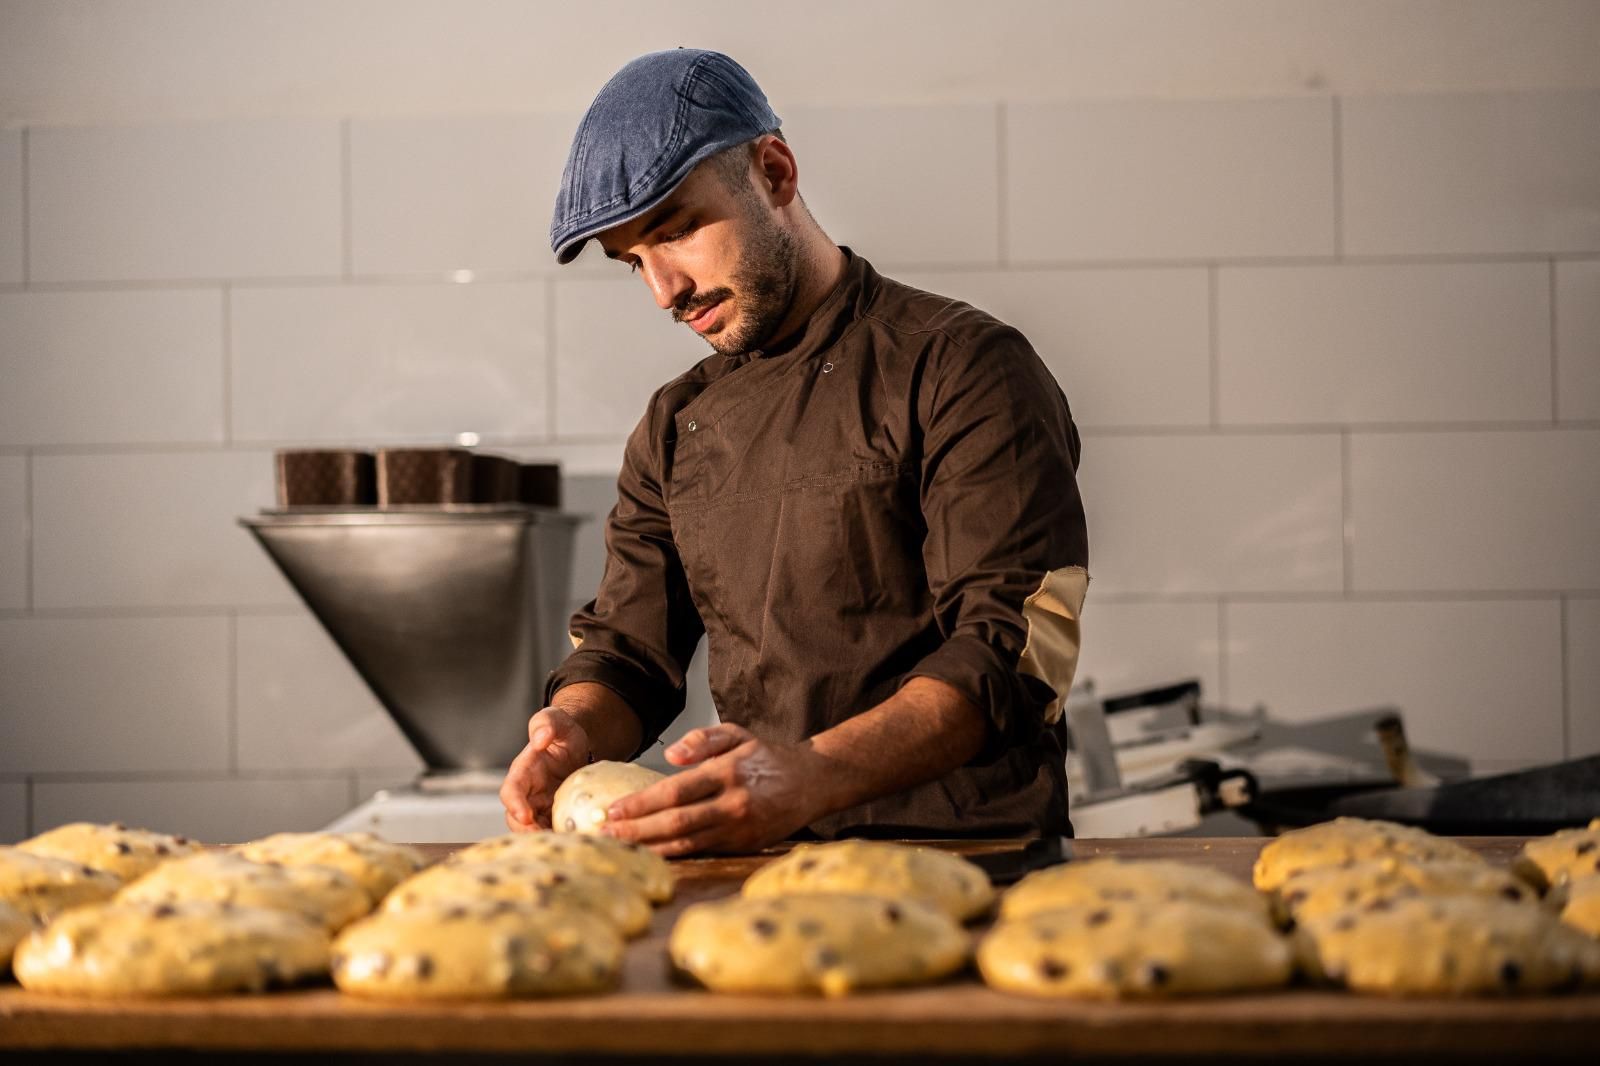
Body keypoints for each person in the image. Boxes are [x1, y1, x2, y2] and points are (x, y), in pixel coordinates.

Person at [499, 48, 1088, 855]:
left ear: (774, 172)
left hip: (972, 865)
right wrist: (573, 726)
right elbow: (627, 652)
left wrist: (810, 775)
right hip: (769, 869)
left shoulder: (961, 366)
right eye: (634, 261)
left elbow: (1011, 650)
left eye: (676, 232)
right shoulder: (676, 424)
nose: (664, 290)